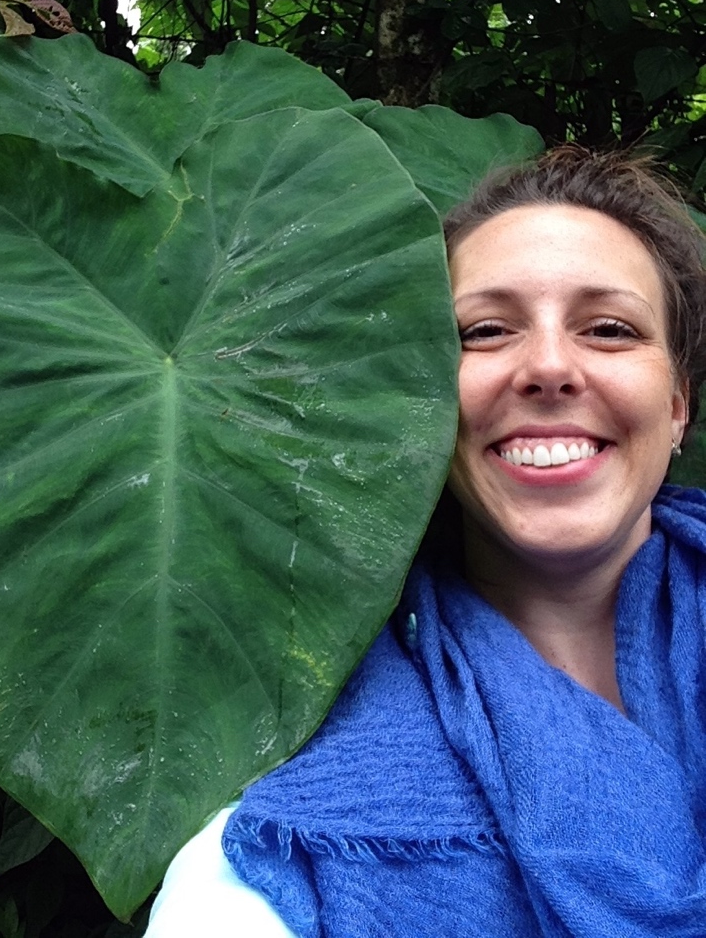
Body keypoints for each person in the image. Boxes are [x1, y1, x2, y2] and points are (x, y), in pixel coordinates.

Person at [145, 145, 706, 937]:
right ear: (419, 394)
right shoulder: (286, 852)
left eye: (609, 329)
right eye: (485, 330)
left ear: (679, 403)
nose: (549, 366)